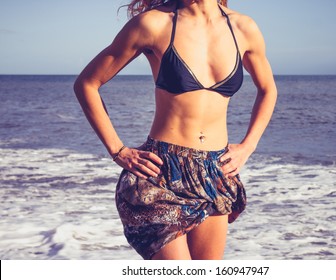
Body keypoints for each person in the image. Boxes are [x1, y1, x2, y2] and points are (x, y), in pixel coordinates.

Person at [74, 0, 277, 260]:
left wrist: (248, 145)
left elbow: (268, 89)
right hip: (161, 171)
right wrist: (118, 150)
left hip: (214, 171)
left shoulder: (243, 27)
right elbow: (87, 83)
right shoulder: (154, 23)